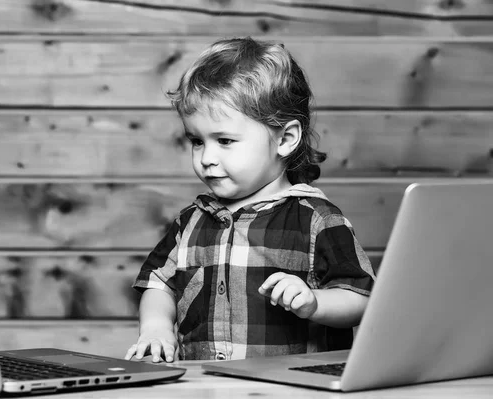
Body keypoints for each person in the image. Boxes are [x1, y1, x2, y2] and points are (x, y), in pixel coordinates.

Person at [124, 37, 375, 362]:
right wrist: (155, 327)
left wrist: (315, 302)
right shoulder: (190, 223)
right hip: (204, 388)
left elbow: (360, 298)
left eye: (225, 140)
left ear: (285, 139)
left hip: (292, 389)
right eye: (197, 141)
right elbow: (159, 284)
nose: (207, 158)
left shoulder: (318, 219)